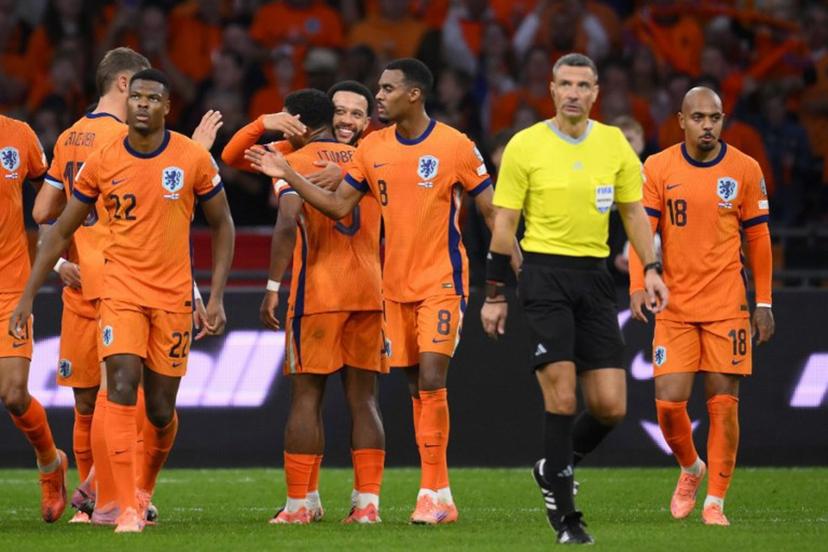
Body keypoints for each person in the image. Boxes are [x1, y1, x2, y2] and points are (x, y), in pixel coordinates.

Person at [247, 57, 517, 524]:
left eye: (387, 89)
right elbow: (336, 205)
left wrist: (505, 275)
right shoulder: (371, 149)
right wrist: (289, 174)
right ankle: (442, 495)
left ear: (414, 94)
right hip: (392, 288)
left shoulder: (455, 145)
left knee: (432, 379)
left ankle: (431, 493)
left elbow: (493, 212)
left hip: (443, 282)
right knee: (416, 385)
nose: (379, 96)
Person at [9, 68, 235, 533]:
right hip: (120, 292)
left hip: (171, 297)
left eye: (154, 99)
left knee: (159, 409)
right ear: (126, 99)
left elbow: (223, 224)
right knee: (119, 386)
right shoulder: (103, 158)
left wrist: (213, 297)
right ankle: (123, 506)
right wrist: (29, 295)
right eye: (137, 98)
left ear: (167, 106)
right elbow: (57, 230)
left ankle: (142, 488)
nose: (144, 105)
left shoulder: (190, 156)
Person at [480, 52, 669, 545]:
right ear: (551, 88)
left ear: (595, 93)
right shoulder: (526, 145)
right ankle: (568, 518)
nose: (573, 93)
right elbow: (504, 223)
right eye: (565, 84)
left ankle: (553, 464)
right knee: (562, 397)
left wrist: (650, 268)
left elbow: (633, 213)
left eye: (583, 85)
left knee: (610, 407)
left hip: (596, 279)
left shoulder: (613, 145)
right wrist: (495, 293)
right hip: (543, 276)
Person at [628, 86, 774, 526]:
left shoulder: (745, 169)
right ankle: (692, 468)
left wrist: (763, 302)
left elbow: (759, 239)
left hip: (727, 303)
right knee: (668, 404)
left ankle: (716, 502)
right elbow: (641, 230)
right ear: (681, 120)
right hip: (673, 303)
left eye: (714, 117)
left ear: (723, 120)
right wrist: (638, 284)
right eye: (698, 118)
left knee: (724, 402)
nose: (707, 125)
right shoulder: (658, 166)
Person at [257, 89, 386, 525]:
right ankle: (367, 504)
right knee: (364, 400)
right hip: (371, 290)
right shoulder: (372, 157)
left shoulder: (297, 158)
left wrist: (273, 286)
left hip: (318, 293)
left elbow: (286, 222)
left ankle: (299, 504)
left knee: (306, 397)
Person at [0, 113, 68, 523]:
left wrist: (58, 259)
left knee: (13, 394)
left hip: (10, 287)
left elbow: (54, 198)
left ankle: (49, 463)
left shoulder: (18, 135)